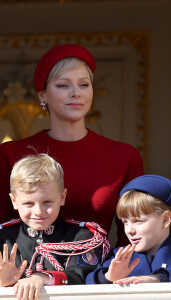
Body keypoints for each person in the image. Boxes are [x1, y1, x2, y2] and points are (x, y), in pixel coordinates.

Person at [0, 44, 144, 246]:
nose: (76, 93)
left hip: (99, 274)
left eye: (84, 84)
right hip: (25, 274)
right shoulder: (11, 154)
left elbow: (133, 239)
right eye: (63, 85)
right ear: (43, 95)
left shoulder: (124, 156)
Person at [0, 153, 109, 300]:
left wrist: (43, 278)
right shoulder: (4, 237)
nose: (38, 212)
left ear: (62, 197)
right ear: (14, 201)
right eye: (28, 203)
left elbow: (82, 276)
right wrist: (4, 283)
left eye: (47, 202)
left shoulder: (81, 237)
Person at [86, 175, 171, 284]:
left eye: (138, 221)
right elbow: (89, 283)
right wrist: (109, 277)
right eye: (125, 222)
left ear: (165, 220)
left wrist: (159, 278)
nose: (129, 230)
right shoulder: (118, 256)